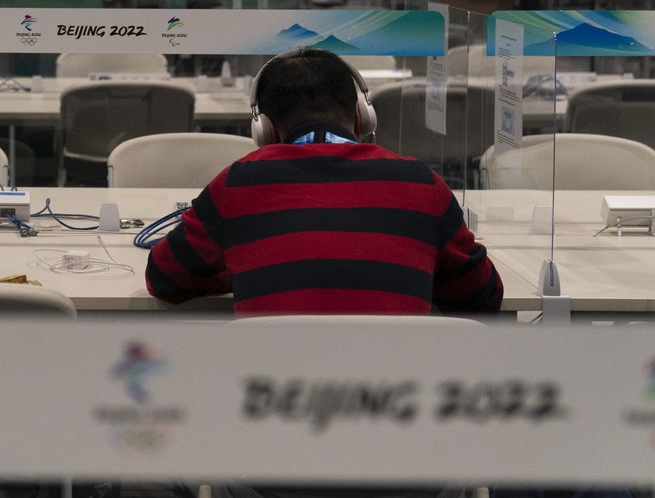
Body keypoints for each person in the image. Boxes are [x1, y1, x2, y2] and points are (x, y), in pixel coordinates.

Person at [146, 47, 502, 316]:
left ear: (264, 129)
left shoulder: (239, 183)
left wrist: (237, 267)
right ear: (363, 117)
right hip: (392, 397)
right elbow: (482, 296)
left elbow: (164, 280)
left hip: (268, 400)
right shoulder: (421, 184)